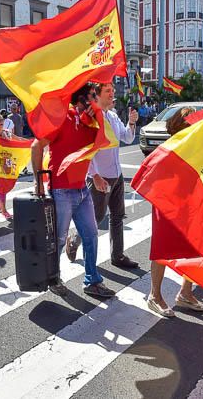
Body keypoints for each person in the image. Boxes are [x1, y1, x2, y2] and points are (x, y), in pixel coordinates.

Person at [31, 83, 115, 299]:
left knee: (91, 236)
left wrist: (94, 176)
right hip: (61, 191)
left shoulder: (93, 122)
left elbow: (99, 148)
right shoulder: (63, 118)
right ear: (81, 101)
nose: (96, 100)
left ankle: (92, 281)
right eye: (93, 96)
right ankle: (53, 278)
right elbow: (36, 146)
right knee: (58, 239)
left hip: (81, 189)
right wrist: (38, 182)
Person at [67, 82, 139, 268]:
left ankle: (118, 256)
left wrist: (131, 122)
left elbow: (128, 138)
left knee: (117, 217)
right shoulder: (92, 119)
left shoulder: (113, 116)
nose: (112, 93)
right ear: (97, 96)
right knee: (96, 219)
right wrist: (95, 176)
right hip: (100, 177)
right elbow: (86, 149)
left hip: (117, 175)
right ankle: (74, 240)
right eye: (108, 91)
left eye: (113, 90)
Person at [147, 107, 203, 317]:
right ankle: (154, 296)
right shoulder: (168, 149)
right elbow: (151, 176)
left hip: (190, 205)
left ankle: (185, 293)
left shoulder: (197, 148)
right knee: (162, 250)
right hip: (167, 206)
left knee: (194, 249)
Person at [0, 112, 27, 219]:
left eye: (2, 119)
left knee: (3, 187)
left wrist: (31, 143)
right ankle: (0, 204)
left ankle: (3, 207)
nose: (2, 122)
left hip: (7, 162)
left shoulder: (7, 133)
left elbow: (18, 139)